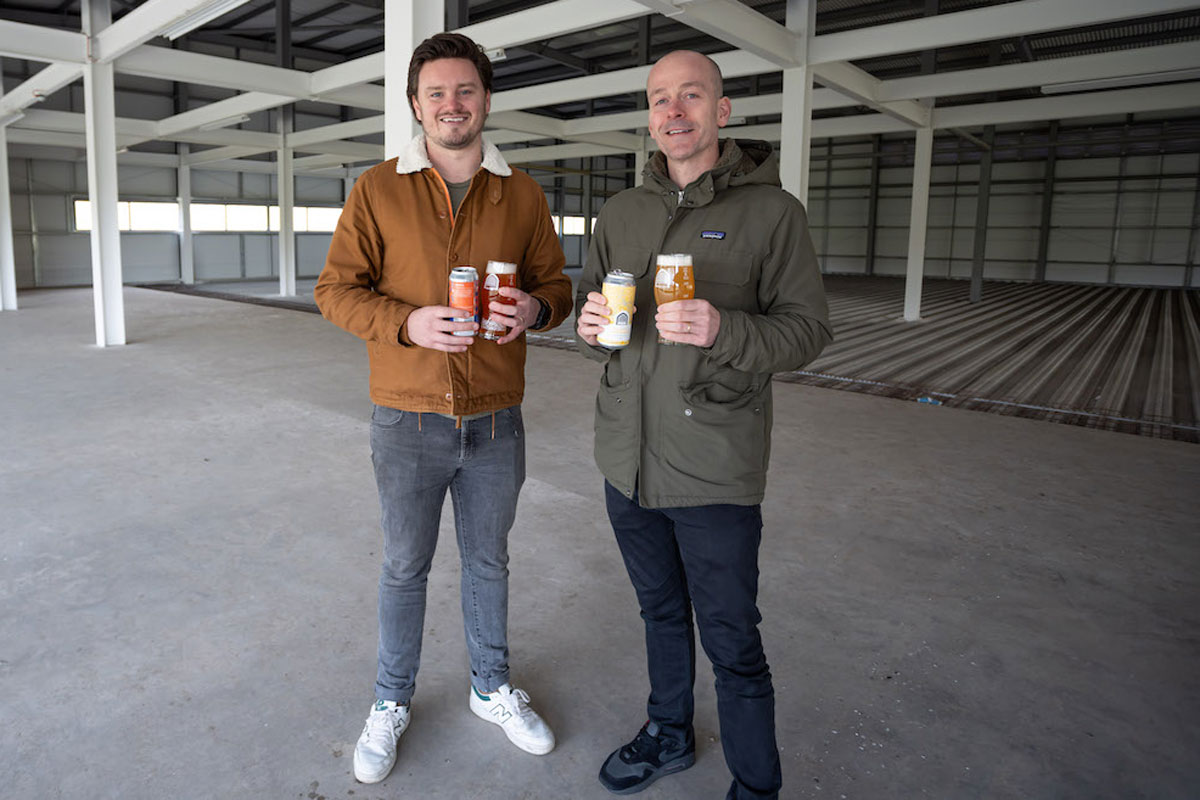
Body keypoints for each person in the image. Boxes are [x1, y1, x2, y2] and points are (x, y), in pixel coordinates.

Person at [575, 50, 833, 799]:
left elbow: (807, 333)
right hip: (626, 457)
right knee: (658, 611)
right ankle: (669, 733)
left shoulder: (772, 213)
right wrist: (591, 327)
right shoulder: (622, 212)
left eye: (692, 95)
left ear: (722, 111)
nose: (674, 110)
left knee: (731, 639)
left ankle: (756, 786)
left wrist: (725, 327)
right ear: (650, 116)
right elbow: (594, 313)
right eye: (661, 98)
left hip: (714, 463)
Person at [315, 31, 571, 785]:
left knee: (489, 562)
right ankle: (390, 701)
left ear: (485, 99)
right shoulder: (377, 188)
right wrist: (406, 322)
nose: (451, 104)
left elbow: (556, 286)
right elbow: (334, 290)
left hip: (496, 418)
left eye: (465, 90)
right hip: (408, 418)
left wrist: (535, 308)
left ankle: (491, 687)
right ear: (415, 104)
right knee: (405, 567)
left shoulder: (521, 193)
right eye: (436, 93)